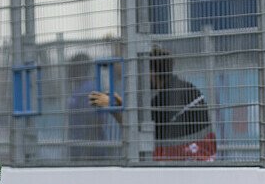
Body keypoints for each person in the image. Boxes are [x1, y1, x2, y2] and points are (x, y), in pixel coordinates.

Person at [89, 47, 217, 161]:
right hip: (203, 155)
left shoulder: (167, 97)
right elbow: (145, 117)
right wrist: (120, 103)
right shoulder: (183, 87)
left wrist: (112, 108)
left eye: (145, 70)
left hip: (191, 160)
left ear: (153, 72)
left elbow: (135, 128)